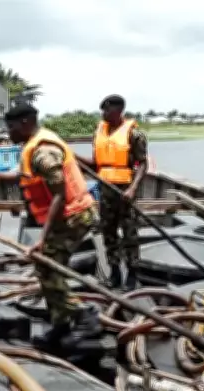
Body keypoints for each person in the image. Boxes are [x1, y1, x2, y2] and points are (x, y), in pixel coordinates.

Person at [0, 103, 102, 345]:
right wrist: (0, 175)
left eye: (11, 127)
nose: (8, 133)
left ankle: (85, 317)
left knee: (48, 269)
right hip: (66, 217)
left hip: (74, 216)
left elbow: (59, 195)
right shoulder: (32, 146)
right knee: (48, 269)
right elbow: (27, 175)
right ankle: (61, 323)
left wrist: (43, 238)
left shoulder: (43, 152)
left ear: (25, 123)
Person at [77, 95, 148, 289]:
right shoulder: (99, 132)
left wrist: (133, 189)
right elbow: (95, 164)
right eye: (103, 110)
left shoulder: (134, 134)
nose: (104, 114)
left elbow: (143, 164)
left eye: (107, 110)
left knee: (129, 233)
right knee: (108, 232)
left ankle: (132, 275)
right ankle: (114, 273)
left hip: (125, 190)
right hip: (105, 190)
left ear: (118, 111)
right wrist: (74, 157)